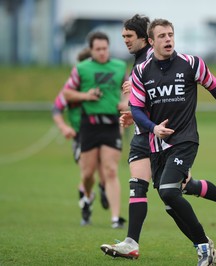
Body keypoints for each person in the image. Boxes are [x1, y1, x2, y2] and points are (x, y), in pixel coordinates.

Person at [100, 14, 216, 262]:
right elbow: (137, 108)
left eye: (170, 35)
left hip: (185, 140)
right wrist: (152, 127)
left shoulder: (192, 63)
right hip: (155, 142)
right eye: (162, 36)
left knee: (170, 191)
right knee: (172, 199)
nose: (168, 39)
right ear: (152, 40)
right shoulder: (140, 72)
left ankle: (203, 248)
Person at [62, 31, 128, 228]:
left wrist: (124, 102)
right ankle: (88, 195)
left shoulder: (119, 66)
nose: (102, 52)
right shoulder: (81, 68)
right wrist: (86, 96)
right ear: (91, 50)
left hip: (111, 124)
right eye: (98, 49)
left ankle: (116, 218)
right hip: (89, 125)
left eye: (105, 49)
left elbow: (128, 91)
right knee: (88, 173)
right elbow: (66, 93)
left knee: (110, 170)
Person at [52, 47, 109, 212]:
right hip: (81, 137)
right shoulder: (71, 89)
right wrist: (64, 127)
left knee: (106, 170)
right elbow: (56, 109)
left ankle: (103, 190)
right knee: (87, 173)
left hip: (103, 133)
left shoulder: (102, 86)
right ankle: (87, 203)